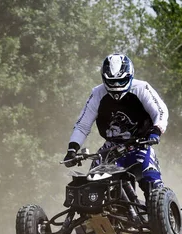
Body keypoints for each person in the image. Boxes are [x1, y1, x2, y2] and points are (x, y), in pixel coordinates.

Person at [63, 53, 169, 201]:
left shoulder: (142, 88)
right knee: (90, 185)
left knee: (152, 182)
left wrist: (156, 130)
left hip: (140, 145)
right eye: (112, 82)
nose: (117, 86)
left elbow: (161, 111)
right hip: (110, 149)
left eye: (121, 81)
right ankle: (87, 219)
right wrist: (72, 149)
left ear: (130, 76)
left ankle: (162, 213)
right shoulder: (97, 93)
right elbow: (82, 125)